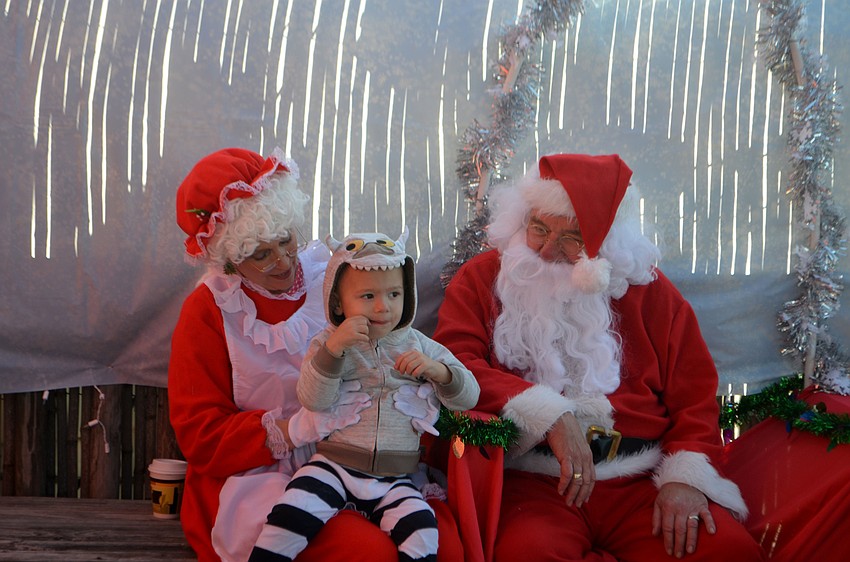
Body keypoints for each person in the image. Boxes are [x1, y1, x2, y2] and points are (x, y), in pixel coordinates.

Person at [433, 153, 766, 561]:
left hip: (640, 480)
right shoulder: (482, 279)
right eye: (539, 229)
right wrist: (549, 415)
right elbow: (453, 365)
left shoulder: (648, 291)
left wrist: (684, 479)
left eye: (572, 239)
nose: (548, 250)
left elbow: (694, 395)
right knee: (528, 553)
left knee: (727, 551)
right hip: (536, 482)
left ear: (605, 241)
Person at [168, 148, 464, 562]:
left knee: (444, 545)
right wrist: (294, 429)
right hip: (260, 474)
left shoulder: (331, 275)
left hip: (359, 455)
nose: (282, 261)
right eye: (261, 254)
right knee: (366, 553)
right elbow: (200, 433)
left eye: (286, 240)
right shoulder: (210, 309)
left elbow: (393, 335)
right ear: (231, 259)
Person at [250, 231, 480, 562]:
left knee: (423, 532)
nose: (383, 307)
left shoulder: (420, 345)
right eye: (368, 296)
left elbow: (470, 396)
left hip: (395, 479)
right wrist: (334, 350)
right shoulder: (327, 343)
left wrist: (440, 372)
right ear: (338, 302)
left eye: (395, 294)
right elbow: (313, 400)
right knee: (290, 515)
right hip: (334, 466)